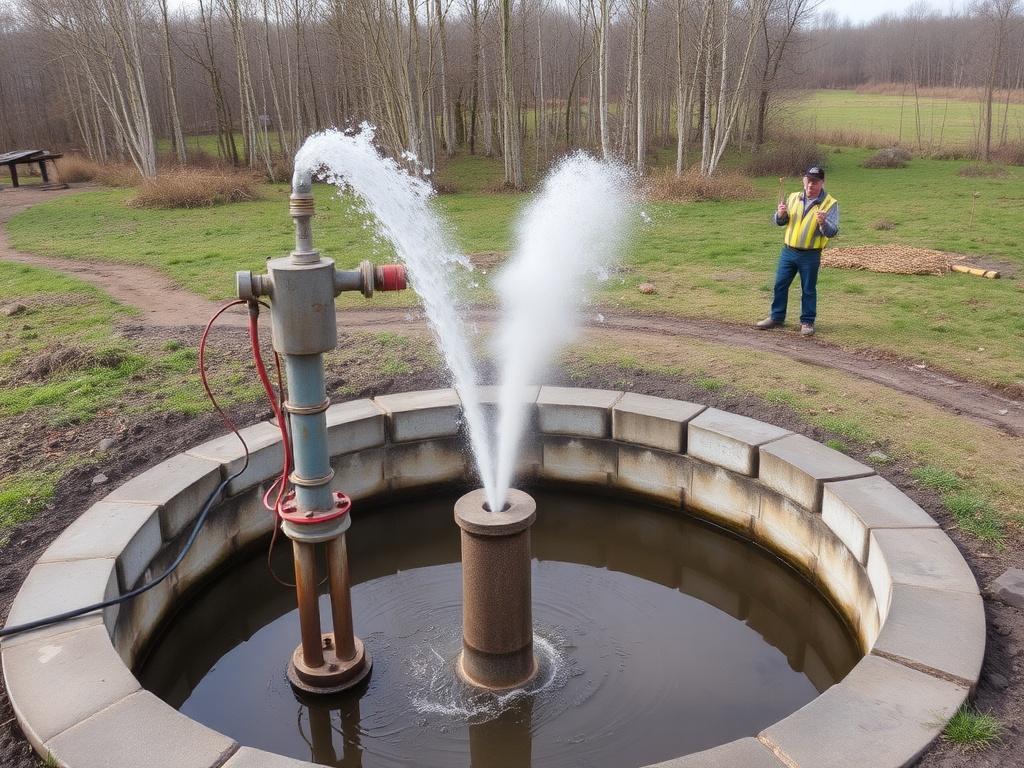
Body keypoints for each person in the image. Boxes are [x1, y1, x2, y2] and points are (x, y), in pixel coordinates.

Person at [755, 166, 839, 336]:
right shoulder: (793, 197)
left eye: (815, 182)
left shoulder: (830, 203)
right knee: (780, 284)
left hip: (811, 254)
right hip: (788, 251)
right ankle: (776, 317)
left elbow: (833, 231)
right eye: (808, 181)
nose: (810, 185)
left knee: (808, 289)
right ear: (804, 180)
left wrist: (823, 223)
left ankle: (807, 322)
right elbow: (780, 221)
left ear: (822, 183)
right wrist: (780, 215)